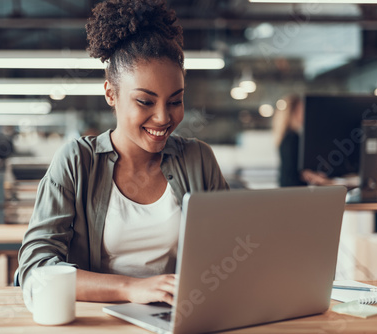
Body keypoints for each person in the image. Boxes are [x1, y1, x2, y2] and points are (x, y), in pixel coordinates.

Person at [18, 0, 229, 306]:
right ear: (111, 94)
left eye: (175, 101)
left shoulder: (198, 159)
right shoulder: (77, 161)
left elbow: (231, 252)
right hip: (97, 322)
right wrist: (130, 289)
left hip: (175, 319)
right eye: (145, 101)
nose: (163, 118)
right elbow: (36, 270)